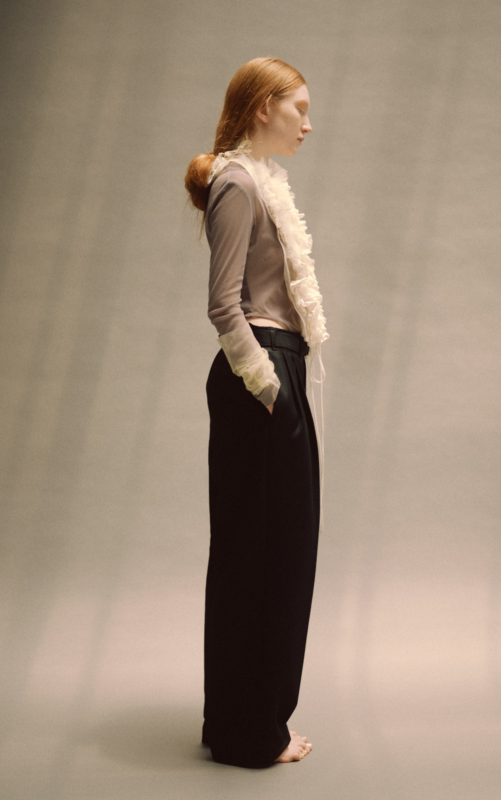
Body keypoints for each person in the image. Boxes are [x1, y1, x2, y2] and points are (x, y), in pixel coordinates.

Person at [184, 57, 328, 768]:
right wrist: (269, 387)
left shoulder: (261, 182)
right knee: (262, 555)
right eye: (298, 107)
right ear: (262, 106)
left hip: (276, 370)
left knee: (274, 552)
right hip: (260, 375)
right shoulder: (237, 183)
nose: (308, 123)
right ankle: (250, 733)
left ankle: (243, 721)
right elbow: (224, 304)